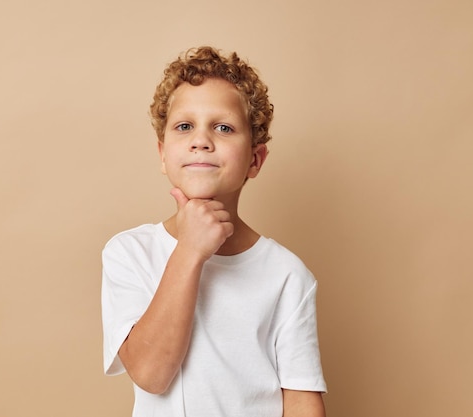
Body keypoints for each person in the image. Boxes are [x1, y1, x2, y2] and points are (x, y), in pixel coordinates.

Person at [101, 46, 327, 417]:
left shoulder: (287, 274)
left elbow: (302, 399)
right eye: (184, 126)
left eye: (223, 127)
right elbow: (151, 374)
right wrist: (190, 250)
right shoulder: (129, 253)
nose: (201, 140)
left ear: (254, 160)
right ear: (162, 154)